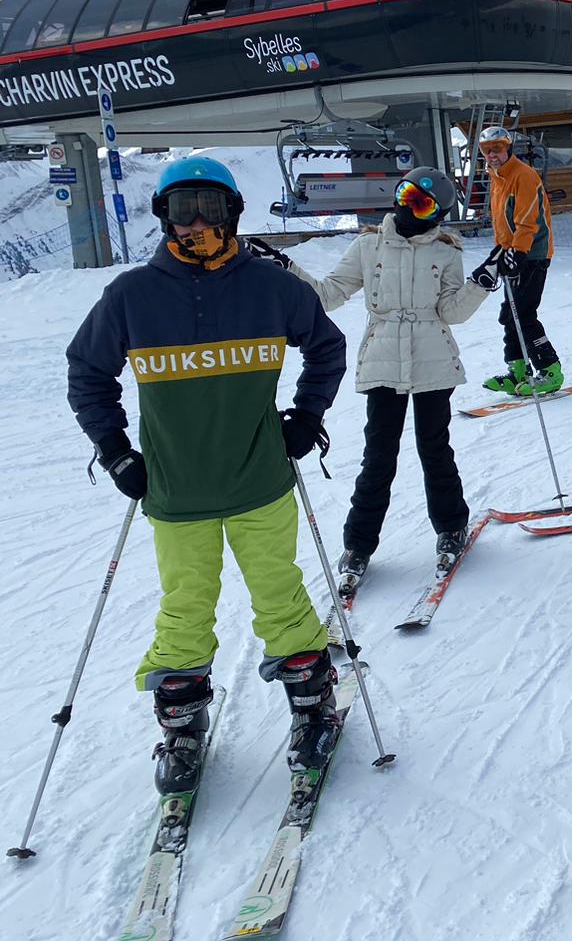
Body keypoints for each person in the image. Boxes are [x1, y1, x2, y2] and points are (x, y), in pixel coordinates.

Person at [66, 156, 348, 788]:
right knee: (185, 609)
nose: (196, 222)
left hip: (259, 482)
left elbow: (326, 346)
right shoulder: (133, 296)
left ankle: (312, 708)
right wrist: (113, 449)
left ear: (233, 214)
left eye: (211, 208)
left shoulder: (270, 286)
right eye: (182, 208)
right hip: (175, 488)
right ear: (163, 215)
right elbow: (87, 371)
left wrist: (306, 418)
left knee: (281, 596)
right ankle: (182, 726)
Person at [252, 170, 494, 580]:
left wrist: (481, 283)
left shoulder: (445, 252)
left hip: (433, 358)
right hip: (382, 356)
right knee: (378, 456)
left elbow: (452, 312)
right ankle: (358, 543)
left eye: (420, 203)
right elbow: (328, 295)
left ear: (436, 214)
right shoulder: (368, 246)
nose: (406, 206)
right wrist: (286, 269)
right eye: (405, 194)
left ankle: (452, 525)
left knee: (434, 448)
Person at [477, 126, 563, 396]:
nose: (492, 155)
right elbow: (501, 223)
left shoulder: (523, 175)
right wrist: (500, 254)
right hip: (512, 252)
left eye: (497, 149)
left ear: (508, 148)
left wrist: (518, 253)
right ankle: (518, 370)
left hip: (532, 254)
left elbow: (527, 220)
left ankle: (550, 370)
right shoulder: (497, 177)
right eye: (486, 150)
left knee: (523, 313)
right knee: (510, 313)